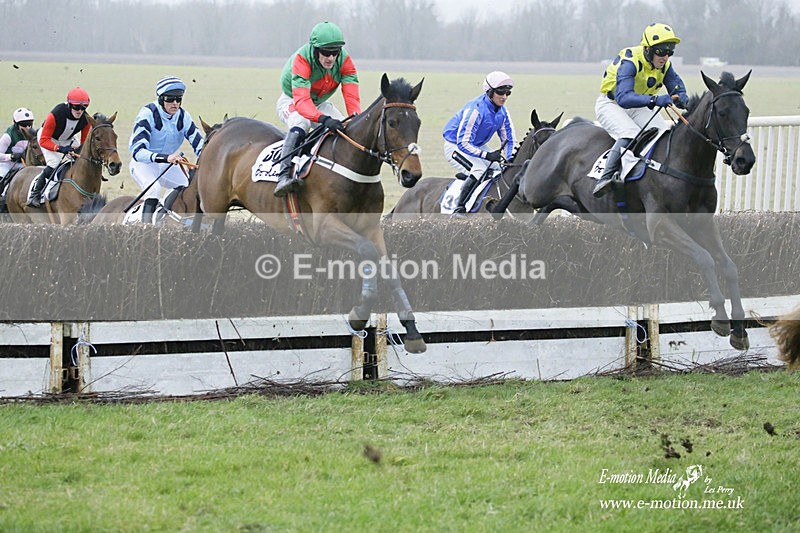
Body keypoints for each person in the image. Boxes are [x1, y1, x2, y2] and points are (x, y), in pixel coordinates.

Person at [593, 22, 690, 198]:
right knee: (630, 133)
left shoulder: (665, 65)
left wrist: (682, 97)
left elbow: (675, 85)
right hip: (611, 105)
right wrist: (655, 100)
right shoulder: (631, 61)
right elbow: (623, 98)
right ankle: (605, 178)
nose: (665, 57)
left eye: (669, 52)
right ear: (647, 49)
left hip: (638, 106)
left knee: (662, 132)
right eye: (661, 51)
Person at [273, 21, 361, 197]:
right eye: (326, 53)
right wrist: (323, 119)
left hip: (318, 103)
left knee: (345, 126)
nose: (331, 58)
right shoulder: (302, 59)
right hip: (293, 100)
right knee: (301, 122)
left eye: (335, 53)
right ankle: (283, 176)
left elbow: (351, 96)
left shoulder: (345, 60)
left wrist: (354, 117)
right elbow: (302, 101)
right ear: (314, 49)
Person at [129, 76, 204, 220]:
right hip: (143, 164)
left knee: (186, 186)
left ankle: (162, 217)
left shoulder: (184, 116)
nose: (175, 103)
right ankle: (145, 229)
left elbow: (199, 143)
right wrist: (166, 157)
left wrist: (206, 161)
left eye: (178, 99)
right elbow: (137, 151)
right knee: (153, 189)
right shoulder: (147, 114)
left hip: (168, 163)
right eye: (170, 99)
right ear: (161, 99)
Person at [442, 71, 516, 215]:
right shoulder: (475, 110)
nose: (504, 96)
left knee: (502, 169)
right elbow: (463, 143)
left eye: (508, 92)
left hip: (476, 145)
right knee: (479, 170)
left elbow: (509, 139)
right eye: (501, 92)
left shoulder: (503, 112)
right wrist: (486, 155)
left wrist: (509, 159)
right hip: (455, 145)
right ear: (489, 92)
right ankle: (459, 208)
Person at [27, 88, 92, 207]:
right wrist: (60, 149)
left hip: (68, 139)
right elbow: (43, 140)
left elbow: (84, 144)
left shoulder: (85, 119)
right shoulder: (55, 114)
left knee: (82, 161)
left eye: (83, 108)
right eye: (76, 107)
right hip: (48, 138)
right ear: (69, 104)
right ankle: (34, 194)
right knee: (54, 164)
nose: (80, 111)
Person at [0, 107, 35, 181]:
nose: (28, 127)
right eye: (24, 124)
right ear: (16, 124)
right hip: (7, 164)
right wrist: (11, 156)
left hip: (23, 164)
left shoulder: (33, 134)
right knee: (2, 175)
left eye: (30, 124)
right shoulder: (8, 136)